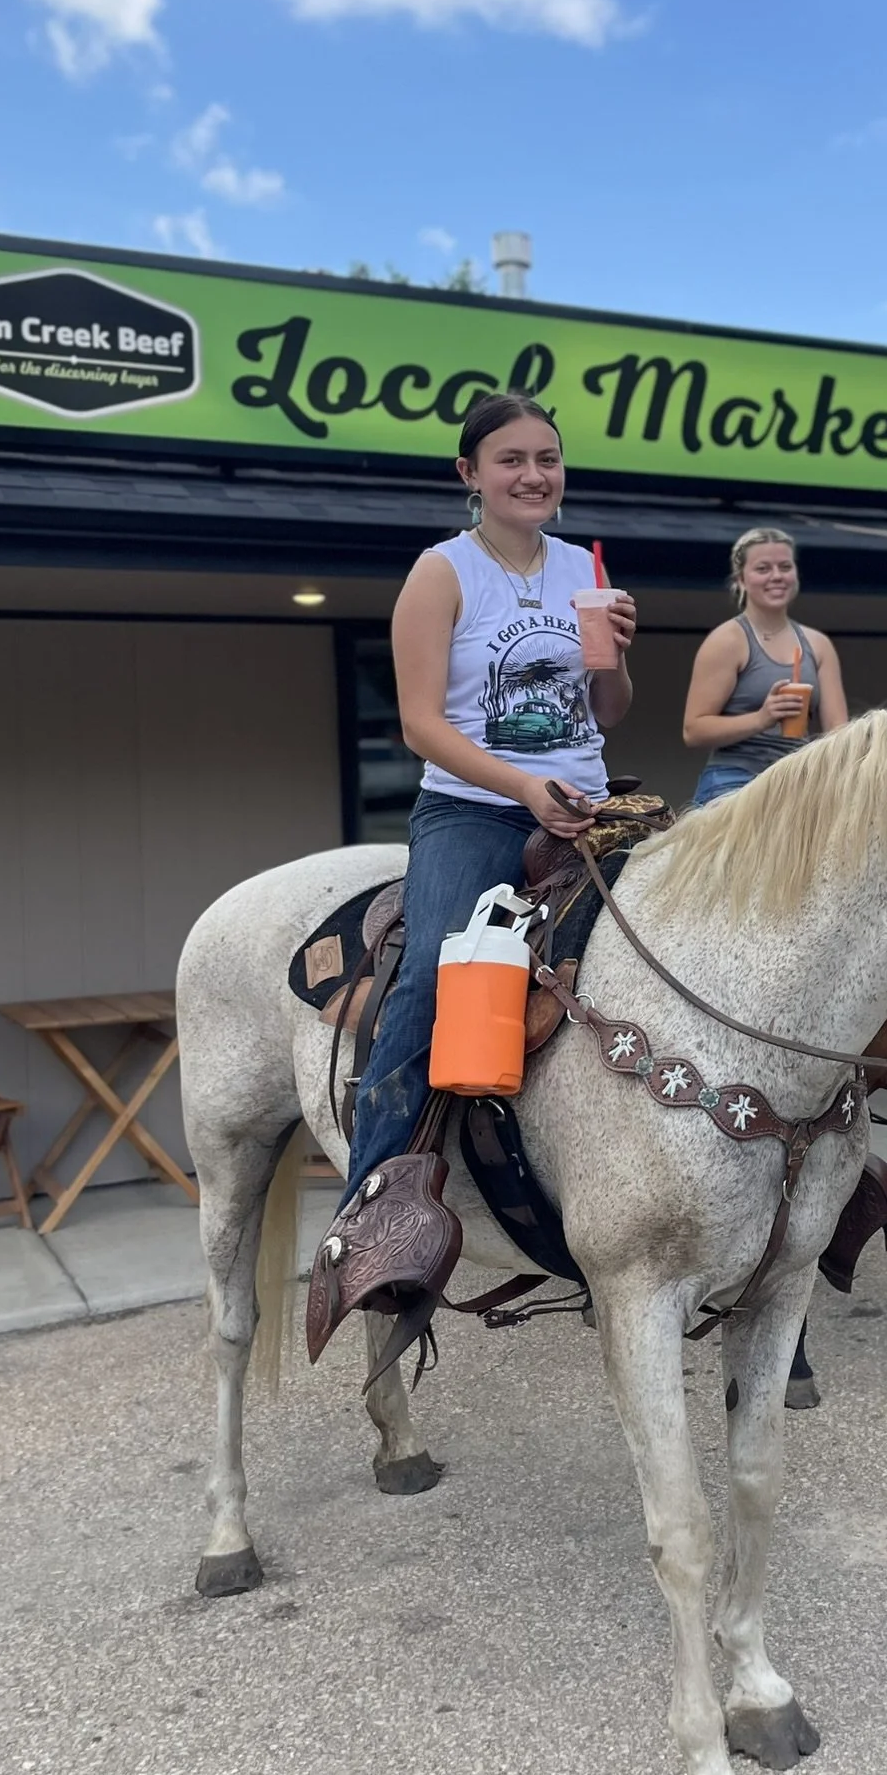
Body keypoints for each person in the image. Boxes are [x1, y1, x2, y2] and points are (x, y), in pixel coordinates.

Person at [340, 391, 636, 1203]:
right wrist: (522, 785)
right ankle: (372, 1203)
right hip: (473, 808)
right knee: (436, 972)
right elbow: (419, 725)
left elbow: (606, 713)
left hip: (593, 806)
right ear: (470, 473)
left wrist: (615, 656)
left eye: (548, 458)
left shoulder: (585, 569)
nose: (534, 475)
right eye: (512, 460)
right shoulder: (443, 572)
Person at [682, 527, 848, 805]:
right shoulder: (728, 640)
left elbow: (839, 732)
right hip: (734, 780)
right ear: (741, 579)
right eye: (763, 568)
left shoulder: (818, 644)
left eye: (785, 566)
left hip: (799, 779)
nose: (776, 576)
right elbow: (693, 730)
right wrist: (762, 718)